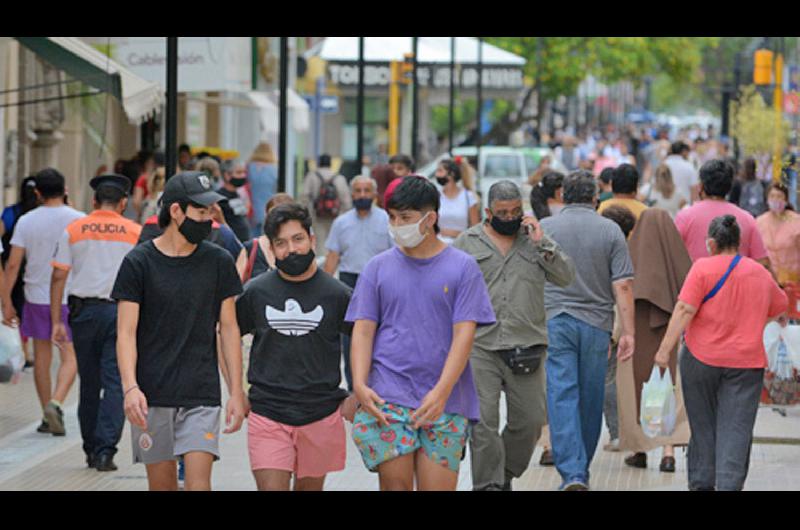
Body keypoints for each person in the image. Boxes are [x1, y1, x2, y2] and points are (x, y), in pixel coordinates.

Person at [346, 176, 496, 491]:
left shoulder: (463, 268)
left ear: (431, 218)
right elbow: (363, 331)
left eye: (406, 218)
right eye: (392, 217)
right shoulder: (377, 268)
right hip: (388, 394)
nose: (397, 225)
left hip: (445, 400)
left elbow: (464, 336)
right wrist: (359, 384)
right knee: (395, 486)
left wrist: (442, 392)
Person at [112, 171, 247, 491]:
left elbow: (229, 328)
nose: (208, 220)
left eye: (210, 212)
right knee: (162, 486)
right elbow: (126, 333)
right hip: (151, 394)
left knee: (198, 485)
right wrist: (130, 388)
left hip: (201, 393)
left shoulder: (219, 261)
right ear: (175, 211)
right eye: (201, 212)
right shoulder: (138, 263)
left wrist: (236, 391)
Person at [453, 180, 574, 491]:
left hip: (527, 345)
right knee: (483, 423)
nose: (509, 217)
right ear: (488, 212)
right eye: (502, 213)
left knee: (531, 421)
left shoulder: (536, 240)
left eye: (515, 211)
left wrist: (542, 242)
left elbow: (566, 276)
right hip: (481, 346)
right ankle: (489, 485)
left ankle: (504, 473)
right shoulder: (467, 243)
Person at [653, 215, 788, 490]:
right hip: (746, 363)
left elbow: (685, 309)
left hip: (700, 359)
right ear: (739, 243)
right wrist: (755, 322)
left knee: (702, 425)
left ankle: (702, 483)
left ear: (711, 244)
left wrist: (664, 350)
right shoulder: (759, 272)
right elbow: (780, 306)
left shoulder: (702, 268)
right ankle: (729, 484)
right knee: (737, 427)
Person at [237, 203, 358, 491]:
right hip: (267, 412)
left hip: (321, 414)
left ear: (312, 240)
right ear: (271, 249)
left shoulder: (338, 294)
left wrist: (359, 393)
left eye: (298, 239)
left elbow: (369, 340)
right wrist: (235, 391)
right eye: (281, 243)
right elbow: (225, 335)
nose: (291, 249)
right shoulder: (255, 292)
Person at [539, 170, 636, 490]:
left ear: (563, 195)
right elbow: (623, 285)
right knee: (591, 396)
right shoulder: (610, 230)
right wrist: (628, 332)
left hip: (556, 320)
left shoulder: (546, 227)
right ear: (595, 197)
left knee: (561, 393)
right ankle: (580, 469)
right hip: (597, 325)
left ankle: (573, 472)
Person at [50, 174, 141, 472]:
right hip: (121, 314)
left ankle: (90, 448)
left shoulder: (74, 229)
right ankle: (105, 450)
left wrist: (56, 320)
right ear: (123, 203)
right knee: (116, 382)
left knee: (89, 383)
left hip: (84, 314)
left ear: (94, 201)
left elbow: (59, 275)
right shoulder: (135, 232)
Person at [1, 168, 85, 436]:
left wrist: (6, 301)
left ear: (37, 193)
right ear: (65, 190)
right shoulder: (79, 219)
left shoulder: (26, 221)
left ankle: (46, 414)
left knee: (42, 358)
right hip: (70, 296)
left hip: (36, 296)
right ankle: (56, 402)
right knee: (70, 356)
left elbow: (12, 265)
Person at [614, 208, 693, 473]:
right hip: (670, 334)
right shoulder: (677, 256)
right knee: (669, 388)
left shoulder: (631, 254)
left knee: (636, 390)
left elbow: (621, 290)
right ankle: (668, 453)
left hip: (635, 333)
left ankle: (639, 449)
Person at [322, 176, 393, 390]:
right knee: (349, 335)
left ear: (374, 194)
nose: (362, 195)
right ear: (352, 194)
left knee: (380, 334)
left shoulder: (387, 220)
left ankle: (378, 386)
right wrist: (322, 291)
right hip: (349, 283)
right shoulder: (341, 222)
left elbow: (396, 256)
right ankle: (354, 389)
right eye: (358, 191)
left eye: (366, 190)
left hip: (380, 283)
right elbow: (332, 257)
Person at [675, 159, 770, 266]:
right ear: (729, 187)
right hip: (737, 276)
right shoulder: (747, 219)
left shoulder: (685, 217)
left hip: (694, 275)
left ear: (701, 186)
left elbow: (672, 257)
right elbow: (762, 262)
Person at [598, 205, 637, 453]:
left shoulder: (604, 248)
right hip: (622, 319)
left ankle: (616, 433)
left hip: (606, 319)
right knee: (616, 380)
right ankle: (623, 433)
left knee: (607, 380)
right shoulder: (629, 250)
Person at [0, 176, 40, 369]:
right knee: (28, 309)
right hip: (37, 268)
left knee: (17, 307)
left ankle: (23, 352)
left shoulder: (12, 212)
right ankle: (26, 353)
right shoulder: (41, 214)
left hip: (15, 265)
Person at [302, 154, 352, 256]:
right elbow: (346, 201)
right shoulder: (339, 178)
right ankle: (331, 261)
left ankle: (321, 261)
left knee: (319, 242)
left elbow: (304, 197)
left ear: (318, 163)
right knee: (334, 242)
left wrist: (306, 214)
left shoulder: (312, 176)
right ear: (330, 164)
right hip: (335, 216)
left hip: (317, 216)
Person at [242, 193, 296, 282]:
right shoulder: (251, 248)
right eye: (273, 215)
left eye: (284, 217)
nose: (277, 221)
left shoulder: (299, 249)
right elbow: (235, 285)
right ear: (266, 216)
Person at [756, 183, 800, 286]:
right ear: (767, 199)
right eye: (772, 196)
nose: (776, 200)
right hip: (768, 281)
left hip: (793, 281)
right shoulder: (759, 222)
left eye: (779, 196)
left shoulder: (796, 221)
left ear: (786, 200)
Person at [435, 158, 480, 244]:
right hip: (439, 246)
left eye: (440, 171)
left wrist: (453, 233)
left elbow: (475, 229)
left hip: (461, 245)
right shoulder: (436, 196)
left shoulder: (468, 197)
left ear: (451, 174)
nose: (436, 174)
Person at [247, 142, 279, 238]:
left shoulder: (248, 168)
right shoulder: (274, 170)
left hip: (250, 211)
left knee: (251, 240)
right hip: (268, 210)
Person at [217, 160, 251, 243]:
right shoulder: (220, 197)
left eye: (244, 172)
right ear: (227, 175)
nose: (243, 175)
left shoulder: (237, 194)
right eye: (239, 173)